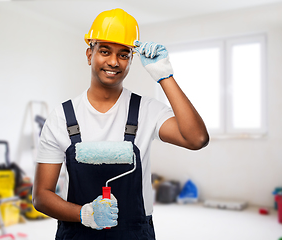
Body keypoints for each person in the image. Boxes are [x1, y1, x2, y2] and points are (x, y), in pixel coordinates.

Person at [33, 8, 209, 240]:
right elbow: (41, 196)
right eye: (105, 51)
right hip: (76, 231)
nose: (114, 62)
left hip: (135, 233)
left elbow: (196, 139)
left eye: (124, 54)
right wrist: (85, 214)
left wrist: (164, 76)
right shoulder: (61, 117)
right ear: (89, 54)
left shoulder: (147, 110)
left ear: (131, 60)